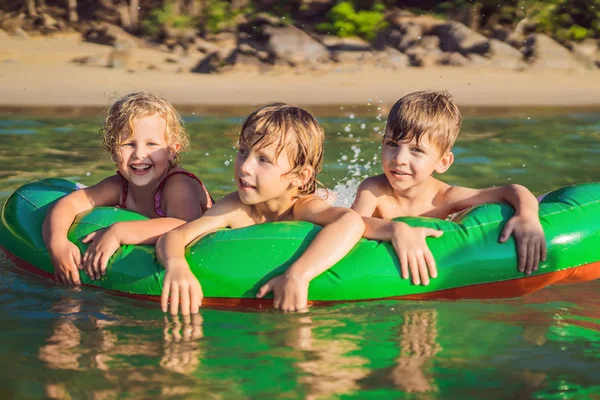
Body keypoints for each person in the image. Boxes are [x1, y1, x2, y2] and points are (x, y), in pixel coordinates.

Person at [156, 103, 365, 315]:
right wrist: (177, 266)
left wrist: (298, 275)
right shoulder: (235, 208)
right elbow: (175, 236)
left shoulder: (303, 207)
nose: (245, 166)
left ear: (300, 176)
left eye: (263, 159)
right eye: (243, 151)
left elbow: (350, 221)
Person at [352, 90, 546, 286]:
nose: (399, 159)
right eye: (392, 144)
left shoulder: (445, 197)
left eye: (416, 150)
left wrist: (527, 216)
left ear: (443, 162)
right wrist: (396, 230)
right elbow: (351, 223)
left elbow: (510, 190)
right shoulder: (373, 189)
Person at [43, 91, 213, 285]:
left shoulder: (178, 184)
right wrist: (57, 242)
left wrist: (118, 232)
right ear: (113, 151)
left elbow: (186, 225)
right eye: (128, 144)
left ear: (171, 151)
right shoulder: (119, 185)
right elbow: (69, 204)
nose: (139, 154)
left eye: (151, 144)